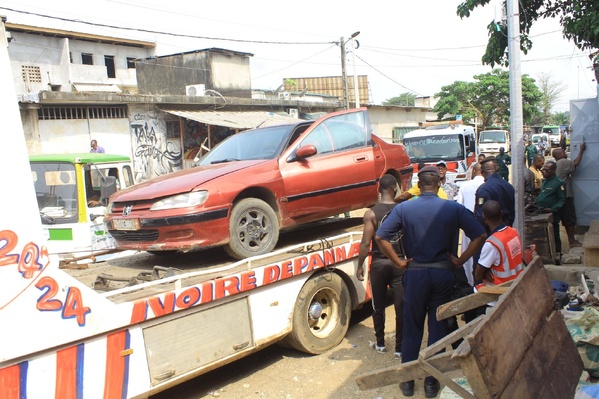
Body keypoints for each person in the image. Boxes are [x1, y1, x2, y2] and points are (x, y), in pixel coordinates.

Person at [375, 166, 487, 398]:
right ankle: (430, 383)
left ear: (418, 185)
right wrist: (461, 260)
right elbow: (480, 235)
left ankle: (407, 382)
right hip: (442, 275)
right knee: (437, 327)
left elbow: (380, 237)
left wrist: (399, 261)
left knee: (412, 326)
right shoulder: (453, 208)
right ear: (438, 184)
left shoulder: (404, 208)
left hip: (415, 274)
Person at [356, 175, 404, 359]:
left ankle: (381, 343)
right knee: (401, 306)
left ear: (379, 190)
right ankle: (400, 348)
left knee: (378, 305)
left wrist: (359, 265)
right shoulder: (403, 210)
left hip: (378, 264)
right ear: (395, 189)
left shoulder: (370, 213)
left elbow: (364, 243)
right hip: (399, 262)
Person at [475, 200, 524, 286]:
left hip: (500, 288)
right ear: (502, 213)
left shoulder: (492, 244)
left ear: (484, 218)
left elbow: (478, 276)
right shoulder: (514, 232)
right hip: (518, 282)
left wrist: (485, 272)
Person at [456, 162, 484, 286]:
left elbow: (459, 205)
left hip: (468, 224)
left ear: (473, 171)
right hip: (484, 224)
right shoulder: (486, 185)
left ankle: (470, 282)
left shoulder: (465, 185)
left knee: (468, 253)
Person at [553, 144, 586, 247]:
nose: (565, 153)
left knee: (565, 220)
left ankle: (570, 240)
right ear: (558, 156)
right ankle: (572, 241)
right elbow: (576, 163)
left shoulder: (557, 164)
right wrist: (581, 150)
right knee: (570, 219)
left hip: (559, 197)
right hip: (566, 196)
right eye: (562, 153)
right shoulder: (563, 162)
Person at [474, 156, 516, 231]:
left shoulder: (484, 189)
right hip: (507, 230)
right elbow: (512, 213)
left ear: (482, 172)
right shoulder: (508, 186)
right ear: (497, 169)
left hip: (491, 233)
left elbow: (480, 216)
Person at [536, 161, 566, 261]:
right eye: (543, 169)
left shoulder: (558, 183)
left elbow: (562, 200)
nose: (543, 171)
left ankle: (557, 253)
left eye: (546, 170)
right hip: (540, 213)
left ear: (553, 170)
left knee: (554, 233)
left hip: (552, 214)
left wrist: (552, 209)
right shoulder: (545, 181)